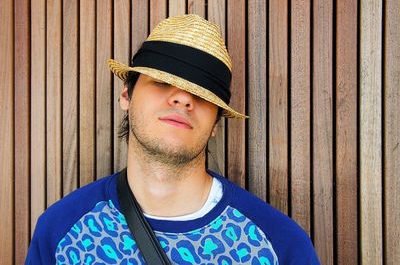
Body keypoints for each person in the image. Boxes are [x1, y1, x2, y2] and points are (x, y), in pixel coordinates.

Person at [26, 14, 319, 264]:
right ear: (127, 95)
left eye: (202, 93)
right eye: (163, 81)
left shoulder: (280, 246)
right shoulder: (62, 231)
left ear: (216, 121)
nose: (182, 99)